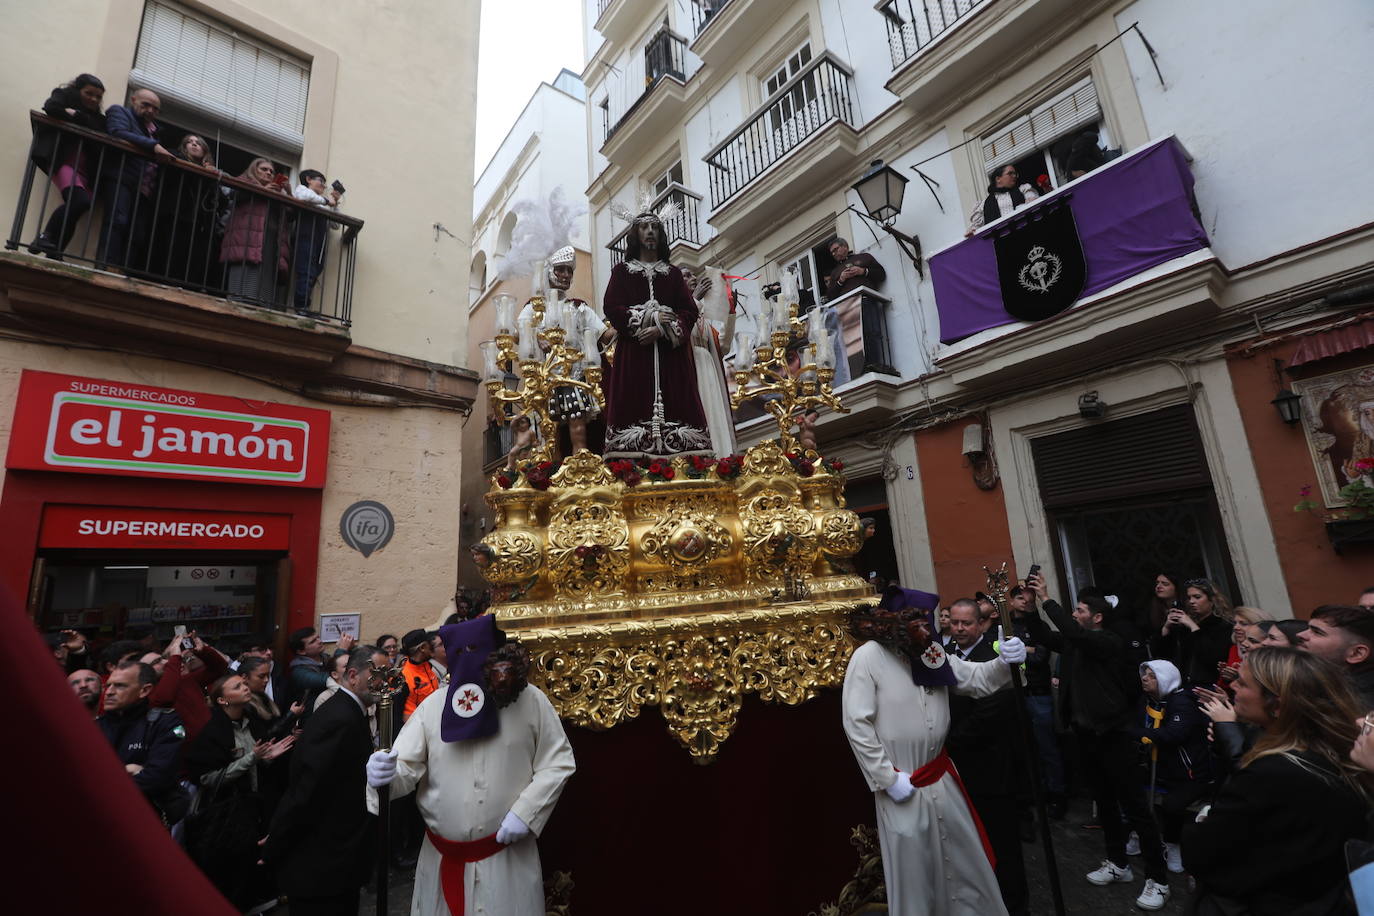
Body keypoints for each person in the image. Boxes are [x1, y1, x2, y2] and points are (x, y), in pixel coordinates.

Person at [365, 616, 576, 916]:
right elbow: (405, 770)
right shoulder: (434, 706)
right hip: (441, 858)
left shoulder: (531, 701)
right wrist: (381, 775)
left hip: (507, 860)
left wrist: (526, 812)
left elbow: (558, 762)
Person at [841, 590, 1027, 916]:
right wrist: (887, 778)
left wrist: (1004, 662)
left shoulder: (928, 651)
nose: (926, 628)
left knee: (965, 865)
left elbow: (975, 679)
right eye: (917, 621)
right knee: (916, 876)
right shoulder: (868, 657)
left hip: (941, 779)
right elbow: (857, 723)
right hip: (903, 785)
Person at [1018, 574, 1170, 910]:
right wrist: (1030, 611)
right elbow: (1047, 636)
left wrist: (1046, 599)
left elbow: (1072, 633)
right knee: (1105, 803)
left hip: (1114, 733)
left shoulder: (1109, 641)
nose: (1075, 614)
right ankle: (1118, 864)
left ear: (1097, 617)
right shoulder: (1076, 641)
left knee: (1135, 808)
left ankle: (1158, 880)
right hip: (1087, 734)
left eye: (1080, 609)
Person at [1182, 648, 1372, 915]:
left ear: (1279, 706)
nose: (1233, 684)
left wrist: (1202, 822)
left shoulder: (1272, 772)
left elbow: (1204, 853)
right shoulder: (1338, 751)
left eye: (1243, 682)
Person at [262, 647, 378, 915]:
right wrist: (276, 839)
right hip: (321, 862)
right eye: (378, 675)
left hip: (338, 859)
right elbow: (306, 789)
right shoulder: (339, 718)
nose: (385, 684)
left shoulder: (352, 712)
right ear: (352, 675)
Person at [601, 211, 711, 460]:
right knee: (633, 405)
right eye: (644, 227)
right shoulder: (622, 272)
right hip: (634, 356)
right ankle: (629, 463)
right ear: (635, 234)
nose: (650, 231)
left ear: (660, 235)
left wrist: (663, 329)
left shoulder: (672, 274)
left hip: (671, 359)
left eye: (655, 227)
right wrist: (647, 320)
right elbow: (611, 307)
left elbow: (689, 310)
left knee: (679, 408)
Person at [944, 601, 1030, 915]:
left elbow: (990, 713)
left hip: (992, 768)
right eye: (954, 622)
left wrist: (945, 742)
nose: (959, 629)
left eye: (966, 623)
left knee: (1003, 847)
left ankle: (1015, 907)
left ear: (981, 625)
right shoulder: (947, 654)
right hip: (958, 772)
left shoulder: (996, 656)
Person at [184, 673, 295, 910]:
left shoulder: (251, 720)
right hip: (227, 812)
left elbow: (255, 761)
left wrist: (265, 758)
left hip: (254, 805)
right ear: (223, 700)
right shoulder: (213, 732)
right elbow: (209, 778)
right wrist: (253, 758)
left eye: (245, 684)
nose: (245, 687)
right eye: (237, 686)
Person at [517, 247, 612, 454]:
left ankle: (581, 461)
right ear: (549, 271)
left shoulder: (579, 307)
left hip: (574, 378)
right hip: (544, 381)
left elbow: (604, 335)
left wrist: (625, 322)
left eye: (570, 271)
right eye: (561, 269)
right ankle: (550, 470)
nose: (566, 275)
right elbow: (520, 330)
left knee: (577, 421)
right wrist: (536, 337)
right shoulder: (534, 308)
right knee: (547, 430)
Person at [1130, 660, 1214, 875]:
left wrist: (1140, 735)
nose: (1145, 678)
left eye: (1152, 675)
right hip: (1159, 766)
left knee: (1172, 805)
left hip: (1189, 771)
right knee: (1131, 791)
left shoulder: (1181, 702)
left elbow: (1174, 735)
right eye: (1144, 674)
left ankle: (1172, 845)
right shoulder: (1147, 700)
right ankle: (1138, 835)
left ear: (1166, 679)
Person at [96, 660, 190, 826]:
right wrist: (129, 771)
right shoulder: (95, 727)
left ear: (144, 690)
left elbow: (158, 777)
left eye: (120, 686)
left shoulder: (164, 722)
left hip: (148, 821)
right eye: (107, 686)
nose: (109, 692)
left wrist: (107, 783)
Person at [27, 74, 106, 256]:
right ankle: (44, 237)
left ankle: (56, 251)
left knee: (78, 208)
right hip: (64, 162)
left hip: (86, 171)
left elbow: (101, 130)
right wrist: (81, 119)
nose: (94, 99)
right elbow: (51, 107)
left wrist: (76, 115)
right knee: (80, 201)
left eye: (98, 96)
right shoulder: (62, 95)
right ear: (77, 90)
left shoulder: (98, 118)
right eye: (89, 93)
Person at [1008, 583, 1067, 818]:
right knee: (1024, 748)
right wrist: (1027, 650)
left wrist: (1022, 650)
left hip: (1038, 693)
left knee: (1048, 748)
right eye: (1019, 598)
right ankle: (1034, 795)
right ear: (1011, 601)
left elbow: (1041, 656)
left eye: (1027, 599)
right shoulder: (1005, 627)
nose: (1024, 601)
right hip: (1016, 695)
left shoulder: (1039, 626)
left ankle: (1057, 796)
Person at [100, 87, 173, 269]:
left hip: (144, 187)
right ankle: (107, 265)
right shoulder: (120, 111)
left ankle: (124, 270)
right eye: (146, 105)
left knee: (137, 233)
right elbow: (117, 131)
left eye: (155, 109)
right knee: (118, 221)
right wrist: (154, 146)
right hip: (122, 177)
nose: (151, 111)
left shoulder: (154, 130)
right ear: (133, 100)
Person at [681, 266, 738, 456]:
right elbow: (680, 331)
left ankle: (722, 456)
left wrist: (730, 313)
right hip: (691, 370)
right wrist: (695, 299)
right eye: (687, 275)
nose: (693, 277)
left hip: (709, 370)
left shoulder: (703, 319)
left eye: (692, 274)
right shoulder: (677, 312)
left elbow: (722, 347)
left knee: (716, 414)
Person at [220, 157, 291, 307]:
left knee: (265, 285)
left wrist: (288, 193)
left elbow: (291, 214)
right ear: (253, 170)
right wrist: (262, 190)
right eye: (264, 169)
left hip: (270, 243)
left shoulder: (277, 193)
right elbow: (234, 194)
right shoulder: (244, 181)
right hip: (246, 241)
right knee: (245, 283)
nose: (269, 173)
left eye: (271, 171)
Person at [146, 630, 227, 741]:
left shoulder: (185, 680)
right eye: (157, 661)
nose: (165, 662)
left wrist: (202, 651)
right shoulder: (148, 692)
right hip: (183, 750)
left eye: (163, 659)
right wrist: (174, 657)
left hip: (212, 741)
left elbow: (219, 668)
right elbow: (166, 697)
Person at [1152, 577, 1234, 687]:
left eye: (1197, 597)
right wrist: (1166, 628)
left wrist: (1193, 627)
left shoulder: (1223, 625)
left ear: (1212, 600)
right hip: (1185, 685)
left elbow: (1213, 657)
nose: (1191, 601)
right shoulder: (1184, 626)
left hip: (1210, 686)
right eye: (1188, 598)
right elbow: (1163, 655)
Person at [1298, 604, 1374, 708]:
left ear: (1356, 653)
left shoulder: (1353, 705)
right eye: (1308, 628)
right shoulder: (1331, 687)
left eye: (1317, 632)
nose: (1300, 634)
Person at [291, 169, 341, 313]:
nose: (324, 186)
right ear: (308, 179)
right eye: (321, 181)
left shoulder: (319, 202)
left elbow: (336, 225)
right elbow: (304, 196)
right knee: (305, 272)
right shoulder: (302, 190)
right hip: (305, 239)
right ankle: (301, 307)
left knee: (312, 274)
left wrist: (334, 204)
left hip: (318, 244)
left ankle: (304, 306)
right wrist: (327, 201)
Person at [967, 164, 1040, 234]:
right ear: (998, 179)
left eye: (1015, 174)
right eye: (1010, 173)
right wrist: (972, 231)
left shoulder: (1023, 189)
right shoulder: (984, 204)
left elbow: (1034, 203)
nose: (1014, 176)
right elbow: (976, 228)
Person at [823, 236, 886, 301]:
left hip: (868, 299)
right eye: (832, 252)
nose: (833, 254)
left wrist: (863, 271)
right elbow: (830, 296)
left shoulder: (863, 257)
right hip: (847, 306)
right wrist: (841, 280)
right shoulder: (835, 272)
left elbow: (882, 275)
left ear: (845, 246)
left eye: (835, 249)